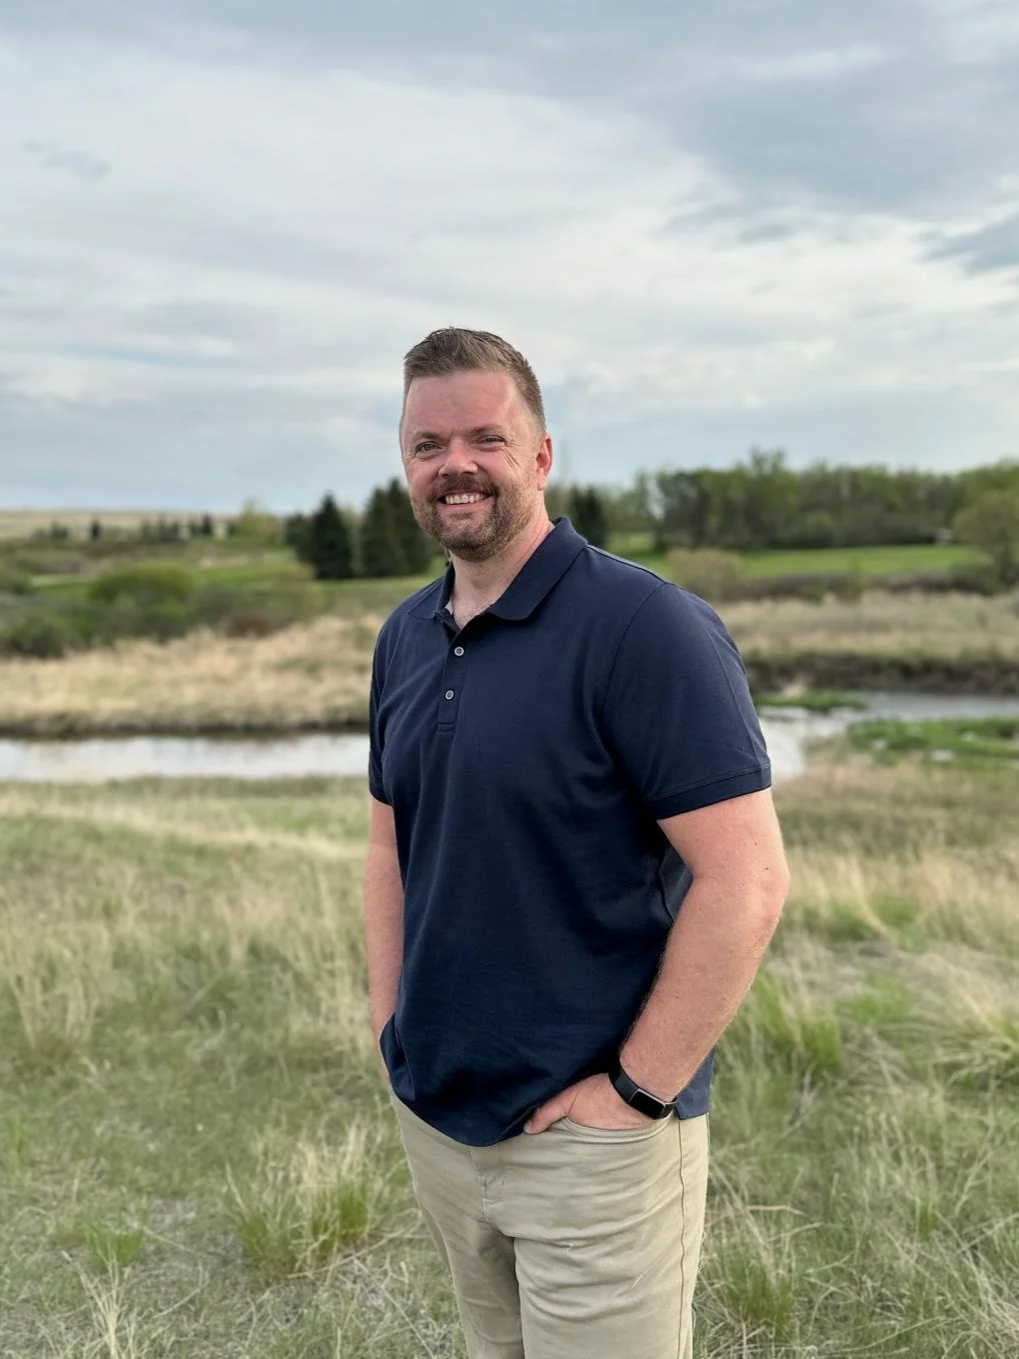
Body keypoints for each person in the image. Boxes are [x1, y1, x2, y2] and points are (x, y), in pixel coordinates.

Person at [363, 327, 790, 1359]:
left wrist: (634, 1092)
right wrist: (391, 1030)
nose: (455, 465)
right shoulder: (405, 636)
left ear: (541, 455)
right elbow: (390, 841)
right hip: (439, 1118)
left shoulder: (646, 628)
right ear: (405, 465)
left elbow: (746, 879)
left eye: (485, 438)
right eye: (427, 445)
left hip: (594, 1144)